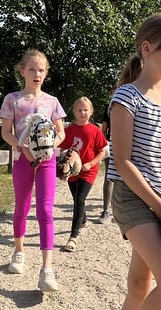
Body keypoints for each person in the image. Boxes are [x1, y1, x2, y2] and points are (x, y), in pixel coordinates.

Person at [108, 14, 161, 310]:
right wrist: (158, 207)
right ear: (146, 48)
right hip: (134, 200)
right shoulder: (126, 97)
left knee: (139, 285)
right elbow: (122, 162)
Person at [0, 49, 66, 292]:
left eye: (41, 70)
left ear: (46, 73)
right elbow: (6, 132)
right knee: (22, 207)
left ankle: (47, 270)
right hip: (22, 159)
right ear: (22, 71)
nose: (37, 74)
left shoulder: (52, 102)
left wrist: (48, 147)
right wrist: (22, 146)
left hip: (46, 161)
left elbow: (62, 133)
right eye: (32, 69)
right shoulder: (13, 100)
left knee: (46, 210)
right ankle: (19, 251)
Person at [59, 97, 108, 252]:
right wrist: (65, 163)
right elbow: (63, 150)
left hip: (88, 170)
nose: (82, 112)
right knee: (77, 199)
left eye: (86, 110)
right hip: (73, 171)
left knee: (79, 199)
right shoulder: (69, 130)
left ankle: (73, 236)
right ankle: (84, 220)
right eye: (79, 110)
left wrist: (91, 164)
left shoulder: (95, 130)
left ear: (91, 111)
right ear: (74, 111)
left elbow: (102, 152)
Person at [96, 103, 113, 224]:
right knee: (109, 176)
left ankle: (119, 211)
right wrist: (103, 146)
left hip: (128, 145)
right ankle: (106, 210)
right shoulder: (109, 107)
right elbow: (104, 129)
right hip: (111, 144)